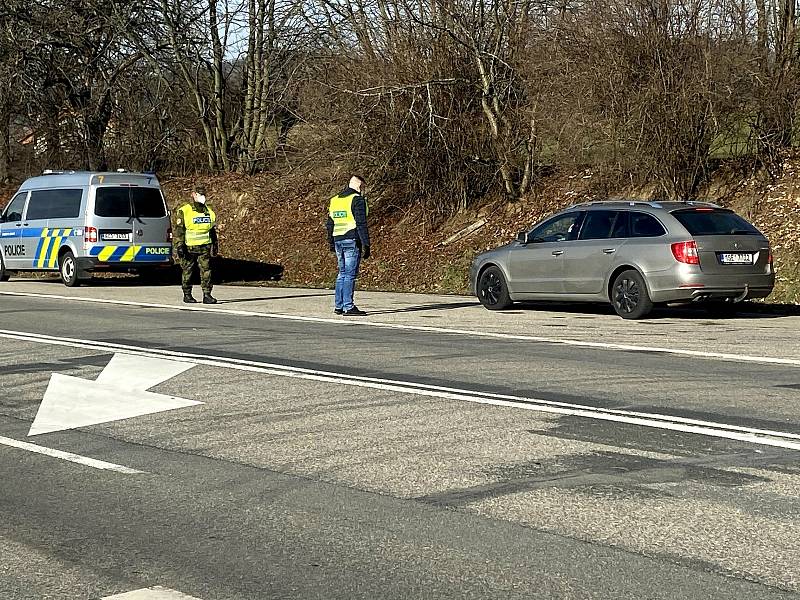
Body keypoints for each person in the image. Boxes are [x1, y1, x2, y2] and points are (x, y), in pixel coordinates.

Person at [326, 175, 370, 316]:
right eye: (363, 187)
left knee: (342, 273)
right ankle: (348, 306)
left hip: (338, 238)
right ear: (359, 186)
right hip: (351, 239)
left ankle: (339, 305)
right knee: (350, 275)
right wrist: (366, 244)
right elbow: (361, 223)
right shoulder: (357, 200)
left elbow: (330, 224)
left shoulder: (335, 200)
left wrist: (331, 242)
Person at [174, 185, 218, 304]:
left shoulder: (208, 211)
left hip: (204, 247)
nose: (202, 197)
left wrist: (215, 243)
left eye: (203, 195)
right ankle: (187, 294)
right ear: (193, 195)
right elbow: (179, 229)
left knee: (206, 271)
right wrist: (180, 245)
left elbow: (211, 229)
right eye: (199, 195)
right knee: (187, 271)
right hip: (189, 247)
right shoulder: (185, 210)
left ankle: (207, 295)